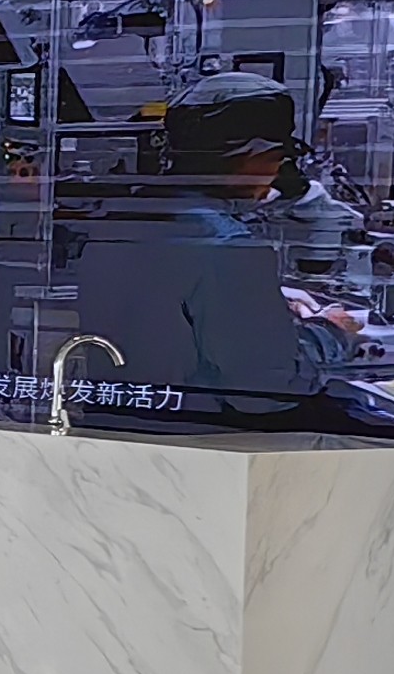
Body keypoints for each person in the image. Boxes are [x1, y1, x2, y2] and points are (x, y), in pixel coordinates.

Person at [69, 73, 359, 416]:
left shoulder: (120, 223)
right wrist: (330, 332)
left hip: (118, 422)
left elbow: (171, 319)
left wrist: (266, 308)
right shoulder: (227, 247)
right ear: (250, 155)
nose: (277, 171)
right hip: (195, 432)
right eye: (277, 157)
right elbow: (265, 386)